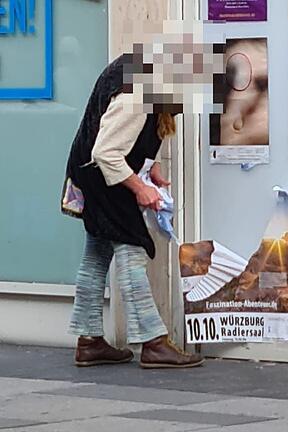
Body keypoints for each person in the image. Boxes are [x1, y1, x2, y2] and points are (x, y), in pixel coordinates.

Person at [62, 53, 203, 369]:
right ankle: (152, 342)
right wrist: (141, 189)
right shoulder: (139, 94)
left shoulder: (143, 76)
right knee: (132, 250)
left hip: (92, 173)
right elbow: (107, 152)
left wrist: (149, 170)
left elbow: (122, 139)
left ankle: (89, 340)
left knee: (97, 254)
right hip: (103, 177)